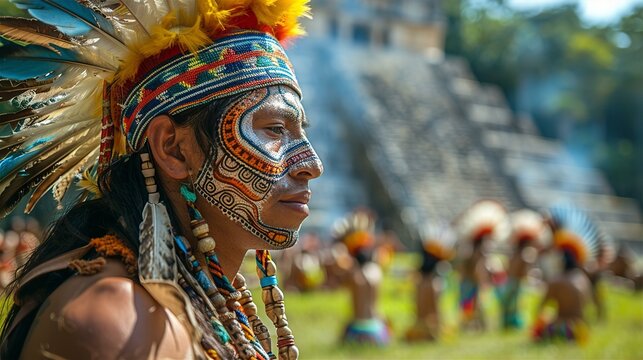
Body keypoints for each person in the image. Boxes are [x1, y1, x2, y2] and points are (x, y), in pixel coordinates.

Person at [0, 1, 322, 359]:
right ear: (173, 149)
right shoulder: (116, 322)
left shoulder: (197, 304)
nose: (311, 164)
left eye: (300, 133)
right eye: (275, 129)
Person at [532, 205, 599, 344]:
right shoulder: (583, 279)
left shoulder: (556, 281)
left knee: (542, 322)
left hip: (565, 331)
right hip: (582, 331)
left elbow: (541, 308)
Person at [331, 209, 391, 345]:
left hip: (359, 331)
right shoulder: (377, 270)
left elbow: (336, 280)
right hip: (379, 331)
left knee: (347, 327)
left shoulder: (353, 273)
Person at [453, 200, 509, 332]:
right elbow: (477, 269)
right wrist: (483, 281)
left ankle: (471, 327)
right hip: (471, 283)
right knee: (472, 306)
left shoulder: (470, 251)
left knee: (469, 307)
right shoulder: (478, 253)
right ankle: (473, 327)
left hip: (467, 282)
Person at [496, 209, 551, 329]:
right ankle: (512, 324)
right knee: (514, 305)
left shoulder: (515, 253)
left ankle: (507, 324)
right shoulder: (525, 254)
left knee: (509, 305)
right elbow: (527, 270)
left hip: (509, 281)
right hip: (515, 282)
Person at [405, 220, 456, 342]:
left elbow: (418, 312)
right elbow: (436, 315)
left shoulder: (420, 282)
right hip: (431, 331)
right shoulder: (436, 284)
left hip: (419, 331)